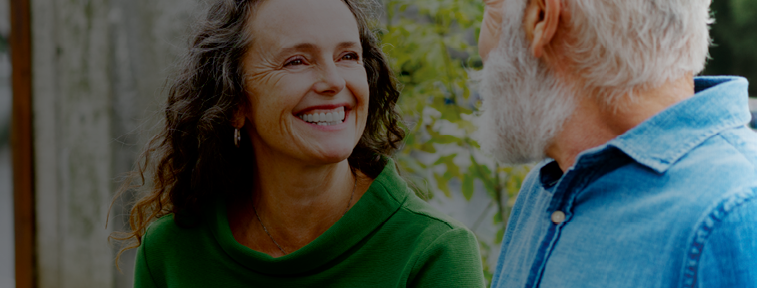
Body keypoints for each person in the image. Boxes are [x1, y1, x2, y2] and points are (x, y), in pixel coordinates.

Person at [112, 0, 485, 286]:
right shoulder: (172, 252)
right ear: (236, 102)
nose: (334, 81)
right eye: (296, 61)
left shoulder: (435, 253)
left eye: (348, 56)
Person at [473, 0, 757, 286]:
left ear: (541, 17)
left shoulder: (736, 212)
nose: (480, 46)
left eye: (489, 6)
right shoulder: (544, 188)